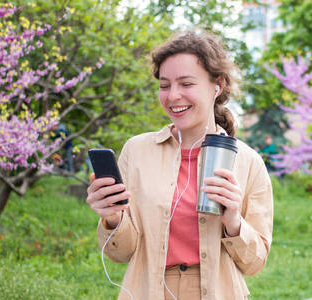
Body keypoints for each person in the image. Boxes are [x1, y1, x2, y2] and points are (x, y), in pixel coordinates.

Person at [85, 31, 273, 300]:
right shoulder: (136, 152)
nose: (173, 96)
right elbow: (120, 253)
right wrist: (112, 217)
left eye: (186, 84)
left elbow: (254, 263)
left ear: (216, 86)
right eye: (164, 85)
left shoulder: (248, 162)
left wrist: (233, 221)